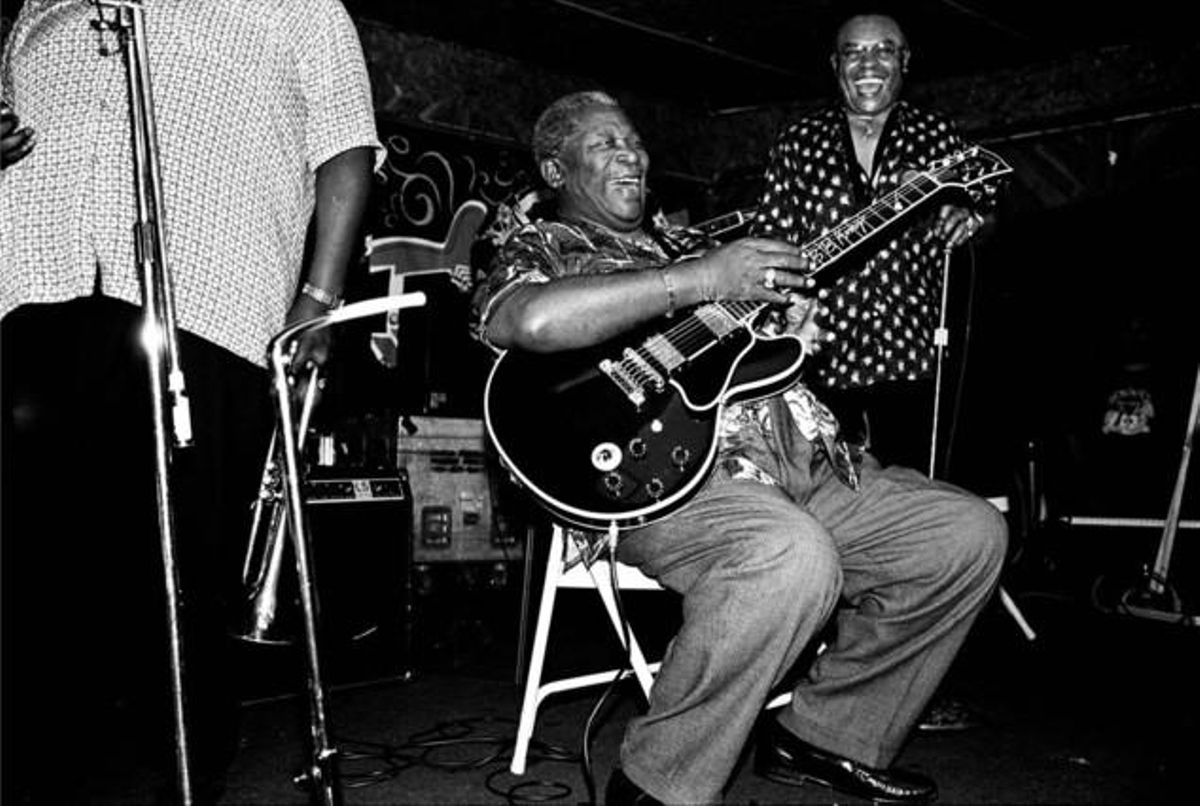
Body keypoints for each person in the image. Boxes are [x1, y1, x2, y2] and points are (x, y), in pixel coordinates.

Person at [472, 90, 1006, 805]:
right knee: (789, 556)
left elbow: (744, 351)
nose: (631, 153)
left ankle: (826, 735)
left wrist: (791, 330)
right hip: (673, 484)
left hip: (800, 462)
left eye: (634, 140)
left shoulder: (697, 242)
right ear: (555, 169)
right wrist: (697, 281)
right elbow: (527, 321)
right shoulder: (541, 247)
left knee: (966, 534)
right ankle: (658, 782)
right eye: (604, 144)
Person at [1, 1, 381, 803]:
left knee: (180, 564)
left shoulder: (301, 5)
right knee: (32, 560)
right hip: (32, 287)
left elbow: (346, 147)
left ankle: (187, 772)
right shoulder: (41, 4)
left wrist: (319, 295)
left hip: (207, 298)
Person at [754, 11, 1003, 473]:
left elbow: (984, 215)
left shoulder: (937, 134)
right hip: (822, 356)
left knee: (917, 495)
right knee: (833, 497)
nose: (868, 63)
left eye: (883, 50)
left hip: (912, 354)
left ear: (904, 61)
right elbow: (769, 241)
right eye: (854, 52)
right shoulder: (796, 142)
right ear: (835, 63)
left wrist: (971, 219)